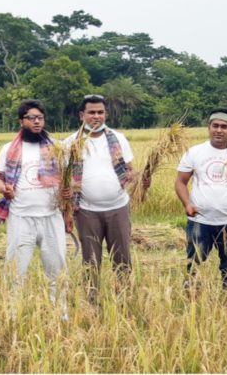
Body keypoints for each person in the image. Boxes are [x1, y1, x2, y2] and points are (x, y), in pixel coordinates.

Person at [0, 100, 69, 316]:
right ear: (21, 121)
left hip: (51, 216)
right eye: (31, 118)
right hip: (20, 217)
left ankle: (60, 314)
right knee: (16, 269)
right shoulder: (9, 149)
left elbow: (67, 178)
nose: (37, 122)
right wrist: (3, 189)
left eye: (40, 118)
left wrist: (68, 198)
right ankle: (13, 314)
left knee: (56, 269)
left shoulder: (57, 147)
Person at [63, 94, 136, 301]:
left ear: (106, 114)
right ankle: (91, 301)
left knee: (122, 258)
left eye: (100, 112)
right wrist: (66, 209)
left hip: (118, 207)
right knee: (91, 260)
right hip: (86, 210)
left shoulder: (118, 138)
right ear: (81, 115)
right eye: (92, 112)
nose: (96, 117)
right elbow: (64, 178)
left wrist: (134, 177)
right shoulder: (70, 143)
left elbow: (129, 169)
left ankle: (124, 299)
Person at [175, 108, 227, 287]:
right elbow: (180, 182)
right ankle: (192, 303)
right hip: (200, 220)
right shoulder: (194, 152)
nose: (219, 130)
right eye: (215, 125)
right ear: (208, 128)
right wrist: (187, 204)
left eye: (224, 126)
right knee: (194, 265)